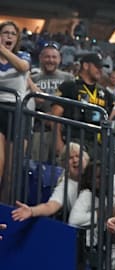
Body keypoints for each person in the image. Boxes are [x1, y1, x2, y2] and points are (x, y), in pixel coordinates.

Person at [52, 52, 115, 157]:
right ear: (85, 66)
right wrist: (58, 143)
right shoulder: (69, 86)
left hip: (96, 144)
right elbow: (55, 115)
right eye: (97, 66)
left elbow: (114, 117)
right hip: (73, 140)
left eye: (101, 67)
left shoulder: (105, 94)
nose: (100, 70)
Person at [11, 142, 89, 222]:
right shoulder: (65, 186)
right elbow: (50, 206)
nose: (75, 160)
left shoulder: (96, 177)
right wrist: (31, 211)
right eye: (70, 158)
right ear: (64, 164)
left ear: (86, 159)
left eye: (78, 156)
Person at [0, 20, 31, 190]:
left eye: (13, 33)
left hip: (17, 113)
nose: (9, 36)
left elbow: (22, 67)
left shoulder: (23, 56)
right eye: (5, 32)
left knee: (11, 172)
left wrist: (2, 49)